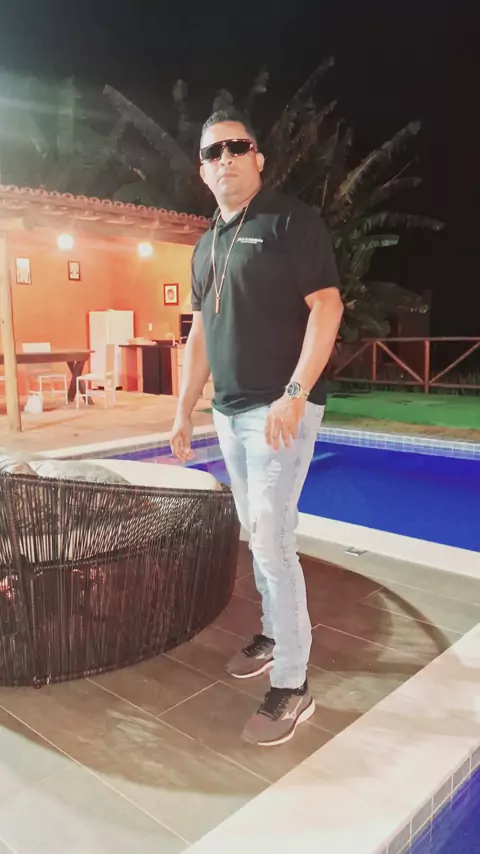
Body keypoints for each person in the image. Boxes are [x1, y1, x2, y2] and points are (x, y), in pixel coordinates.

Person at [170, 107, 343, 747]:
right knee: (258, 532)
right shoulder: (205, 245)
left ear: (258, 158)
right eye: (212, 152)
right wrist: (183, 408)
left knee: (271, 537)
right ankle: (274, 633)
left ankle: (294, 685)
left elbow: (327, 306)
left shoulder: (291, 221)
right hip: (229, 412)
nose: (225, 159)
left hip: (279, 411)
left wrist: (295, 393)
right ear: (202, 171)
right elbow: (199, 335)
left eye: (236, 147)